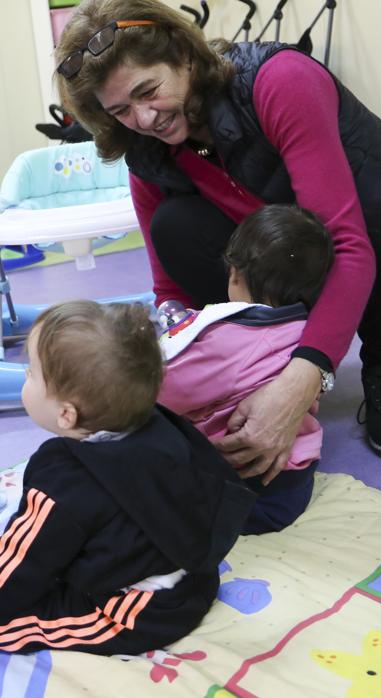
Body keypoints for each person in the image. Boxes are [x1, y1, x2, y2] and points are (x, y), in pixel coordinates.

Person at [53, 0, 381, 469]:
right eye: (121, 110)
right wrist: (163, 386)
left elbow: (346, 243)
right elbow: (170, 292)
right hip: (292, 276)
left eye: (148, 90)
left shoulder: (280, 81)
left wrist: (306, 377)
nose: (145, 119)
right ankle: (258, 366)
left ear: (183, 55)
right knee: (174, 226)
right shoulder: (146, 153)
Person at [0, 301, 255, 654]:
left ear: (66, 415)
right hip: (194, 574)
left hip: (145, 607)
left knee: (35, 618)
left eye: (31, 372)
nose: (25, 376)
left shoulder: (66, 480)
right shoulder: (158, 425)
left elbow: (26, 563)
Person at [159, 204, 332, 532]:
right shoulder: (310, 333)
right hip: (293, 485)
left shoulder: (223, 340)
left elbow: (165, 392)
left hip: (247, 486)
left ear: (234, 273)